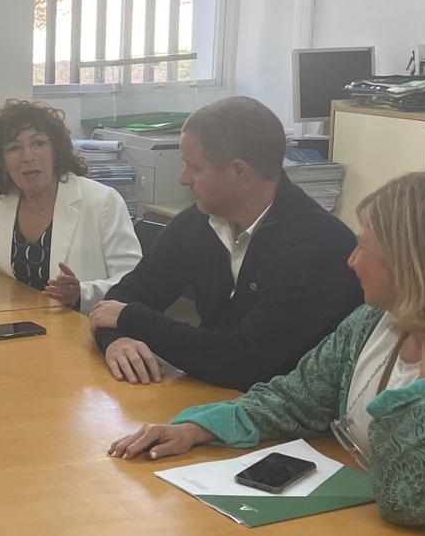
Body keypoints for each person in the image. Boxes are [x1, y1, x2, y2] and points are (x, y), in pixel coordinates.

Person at [110, 172, 425, 536]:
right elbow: (296, 397)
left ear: (415, 265)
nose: (351, 261)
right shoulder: (375, 321)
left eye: (365, 248)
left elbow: (413, 499)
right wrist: (197, 428)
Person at [86, 96, 362, 390]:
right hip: (217, 399)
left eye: (194, 167)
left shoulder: (317, 247)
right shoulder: (200, 221)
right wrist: (117, 340)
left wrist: (131, 320)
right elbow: (122, 298)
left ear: (239, 172)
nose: (183, 179)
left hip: (289, 417)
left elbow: (244, 363)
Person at [0, 99, 140, 311]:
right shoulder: (3, 199)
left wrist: (81, 294)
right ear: (1, 160)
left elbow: (133, 283)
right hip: (20, 324)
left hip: (82, 330)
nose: (28, 157)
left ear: (55, 150)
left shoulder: (102, 201)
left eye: (38, 143)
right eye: (14, 148)